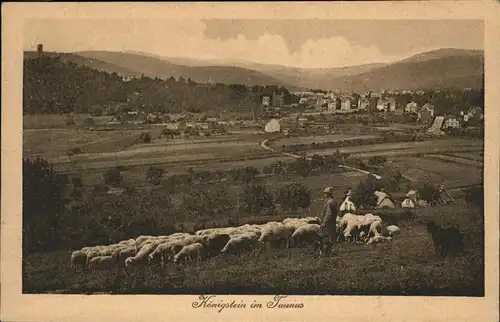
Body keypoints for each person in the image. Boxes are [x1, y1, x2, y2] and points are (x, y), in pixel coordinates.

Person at [318, 186, 339, 256]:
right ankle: (328, 252)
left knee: (324, 238)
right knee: (331, 238)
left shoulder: (329, 203)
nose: (324, 195)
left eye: (325, 193)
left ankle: (326, 253)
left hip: (328, 224)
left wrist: (324, 222)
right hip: (332, 223)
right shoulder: (334, 201)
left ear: (327, 194)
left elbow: (328, 214)